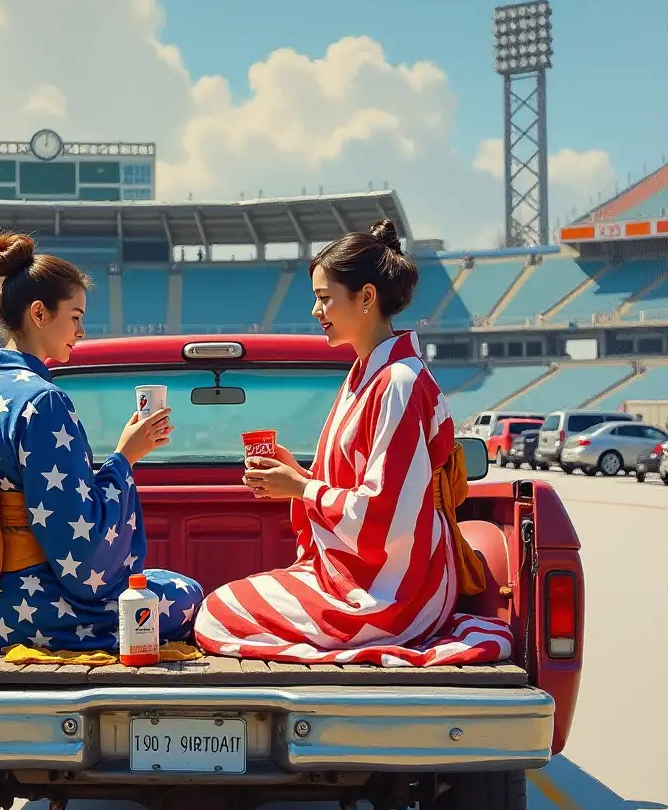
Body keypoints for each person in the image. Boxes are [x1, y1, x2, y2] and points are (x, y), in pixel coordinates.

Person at [194, 220, 512, 666]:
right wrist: (299, 475)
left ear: (366, 298)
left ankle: (344, 651)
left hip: (394, 592)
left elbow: (386, 515)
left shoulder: (398, 381)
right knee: (221, 607)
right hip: (371, 576)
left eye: (325, 299)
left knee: (215, 612)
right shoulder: (369, 375)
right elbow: (369, 494)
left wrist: (302, 488)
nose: (315, 311)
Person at [0, 232, 202, 654]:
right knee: (185, 594)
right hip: (38, 610)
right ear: (39, 313)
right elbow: (82, 550)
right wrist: (124, 458)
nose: (81, 330)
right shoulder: (44, 400)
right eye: (75, 316)